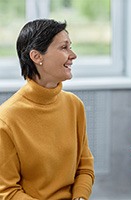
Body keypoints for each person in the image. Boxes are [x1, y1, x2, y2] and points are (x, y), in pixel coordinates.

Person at [0, 19, 94, 200]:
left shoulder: (74, 105)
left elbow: (85, 167)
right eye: (63, 47)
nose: (72, 55)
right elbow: (7, 192)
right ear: (37, 57)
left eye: (70, 47)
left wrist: (80, 198)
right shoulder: (6, 119)